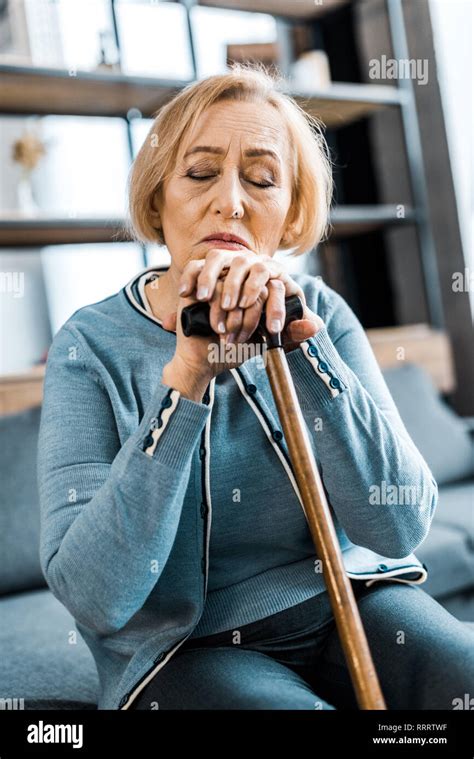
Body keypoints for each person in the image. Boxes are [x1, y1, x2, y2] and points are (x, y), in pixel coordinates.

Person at [38, 64, 474, 711]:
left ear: (290, 211)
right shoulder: (89, 343)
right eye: (201, 172)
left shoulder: (321, 312)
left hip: (352, 601)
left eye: (262, 179)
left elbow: (401, 520)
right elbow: (95, 593)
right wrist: (187, 378)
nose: (232, 202)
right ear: (159, 198)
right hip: (188, 651)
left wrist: (306, 348)